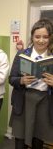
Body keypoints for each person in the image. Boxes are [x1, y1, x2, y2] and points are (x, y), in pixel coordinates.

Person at [9, 19, 53, 149]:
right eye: (37, 36)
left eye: (45, 37)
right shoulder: (22, 54)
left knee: (38, 142)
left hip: (44, 103)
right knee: (20, 142)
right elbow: (11, 78)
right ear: (32, 37)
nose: (41, 40)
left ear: (50, 38)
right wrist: (21, 81)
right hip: (23, 101)